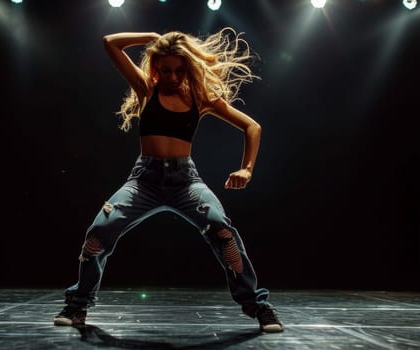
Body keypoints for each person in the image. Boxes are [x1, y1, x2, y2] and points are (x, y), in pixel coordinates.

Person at [54, 27, 283, 333]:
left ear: (187, 68)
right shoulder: (146, 88)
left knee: (222, 231)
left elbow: (252, 127)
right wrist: (152, 37)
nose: (173, 77)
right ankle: (77, 305)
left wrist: (247, 168)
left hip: (185, 182)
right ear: (155, 67)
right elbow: (110, 43)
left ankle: (258, 306)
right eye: (165, 70)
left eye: (179, 70)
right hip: (144, 180)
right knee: (98, 233)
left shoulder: (200, 98)